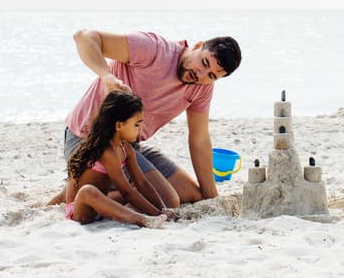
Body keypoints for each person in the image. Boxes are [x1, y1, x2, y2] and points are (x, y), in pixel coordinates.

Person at [48, 29, 242, 209]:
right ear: (198, 46)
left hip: (128, 147)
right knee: (168, 200)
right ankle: (85, 193)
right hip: (87, 140)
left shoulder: (203, 86)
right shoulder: (154, 50)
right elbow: (84, 37)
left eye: (211, 75)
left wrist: (212, 200)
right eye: (204, 62)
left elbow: (199, 139)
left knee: (192, 194)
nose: (200, 74)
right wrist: (107, 76)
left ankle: (84, 188)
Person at [65, 90, 168, 228]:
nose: (140, 129)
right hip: (81, 211)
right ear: (119, 125)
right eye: (136, 124)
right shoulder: (107, 151)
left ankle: (146, 215)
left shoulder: (126, 148)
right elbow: (126, 192)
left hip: (101, 204)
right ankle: (142, 220)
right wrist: (155, 214)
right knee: (88, 190)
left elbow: (141, 182)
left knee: (135, 190)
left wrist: (163, 210)